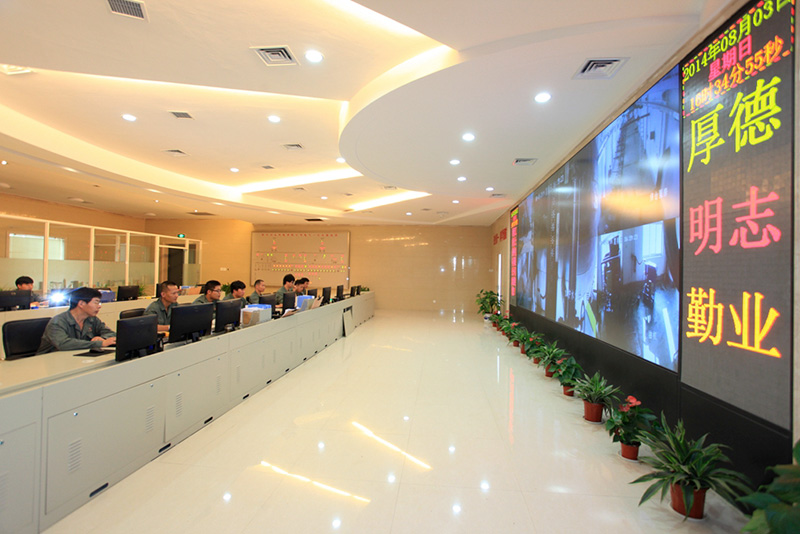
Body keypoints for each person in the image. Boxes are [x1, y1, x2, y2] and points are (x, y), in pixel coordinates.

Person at [37, 287, 116, 354]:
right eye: (96, 302)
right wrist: (98, 343)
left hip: (76, 357)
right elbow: (63, 344)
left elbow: (111, 334)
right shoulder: (58, 322)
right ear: (81, 304)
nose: (99, 306)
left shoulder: (92, 319)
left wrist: (102, 338)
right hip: (50, 361)